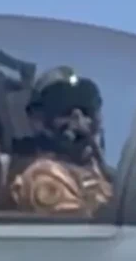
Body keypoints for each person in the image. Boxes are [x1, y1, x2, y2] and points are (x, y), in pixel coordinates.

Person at [8, 66, 113, 217]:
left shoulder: (97, 170)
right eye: (64, 109)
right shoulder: (44, 176)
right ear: (39, 119)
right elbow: (78, 228)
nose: (79, 119)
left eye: (86, 109)